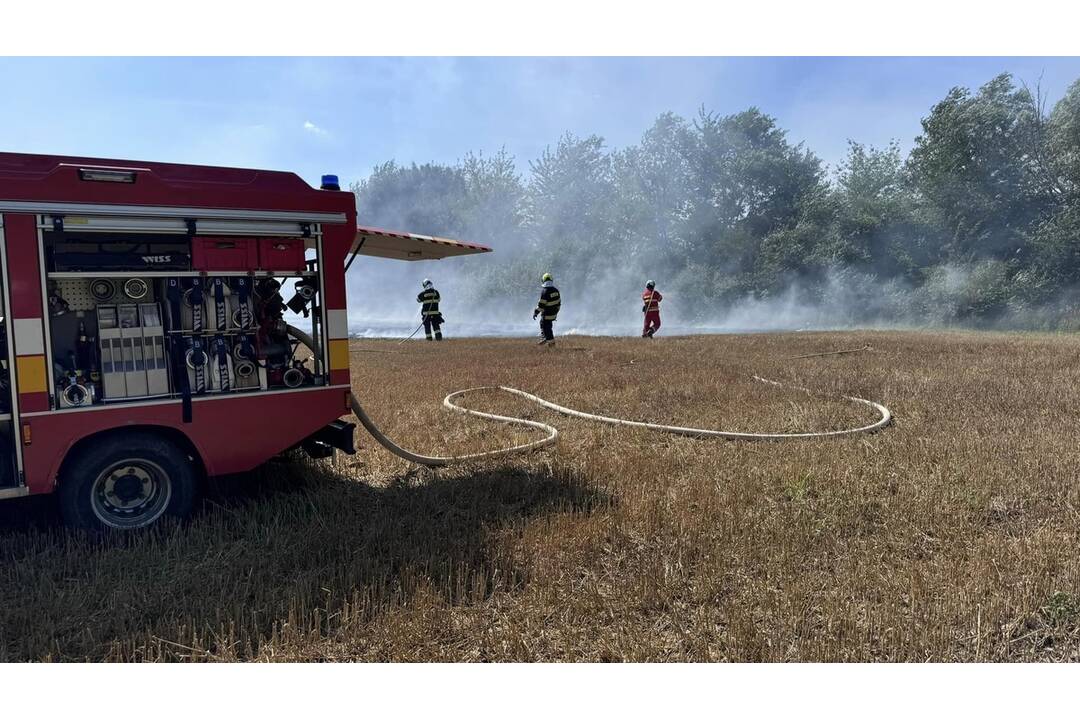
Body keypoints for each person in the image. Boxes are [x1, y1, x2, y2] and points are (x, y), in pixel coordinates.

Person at [532, 272, 561, 345]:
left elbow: (541, 305)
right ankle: (545, 337)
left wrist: (536, 312)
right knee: (548, 325)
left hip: (546, 314)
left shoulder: (544, 291)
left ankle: (550, 343)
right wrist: (556, 311)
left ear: (543, 281)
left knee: (545, 326)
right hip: (553, 314)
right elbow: (559, 303)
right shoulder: (556, 290)